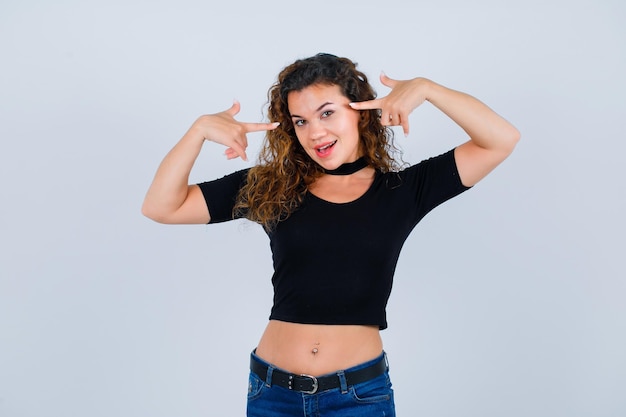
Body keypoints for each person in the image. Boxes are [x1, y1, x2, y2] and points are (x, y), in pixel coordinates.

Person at [142, 53, 520, 417]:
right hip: (273, 395)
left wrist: (427, 88)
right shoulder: (272, 187)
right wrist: (198, 131)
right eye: (300, 121)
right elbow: (162, 207)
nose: (315, 132)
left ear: (360, 110)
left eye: (327, 113)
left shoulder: (404, 191)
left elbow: (500, 139)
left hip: (358, 398)